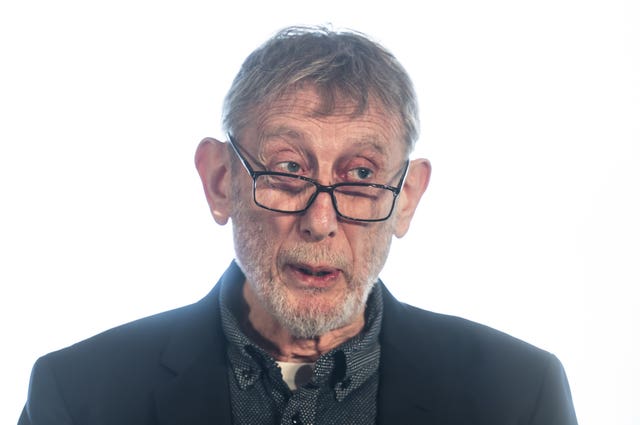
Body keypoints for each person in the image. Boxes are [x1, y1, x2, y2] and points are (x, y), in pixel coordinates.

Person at [18, 26, 579, 425]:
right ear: (220, 181)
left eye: (360, 174)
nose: (320, 220)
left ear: (405, 197)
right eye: (289, 169)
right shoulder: (80, 396)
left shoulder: (516, 396)